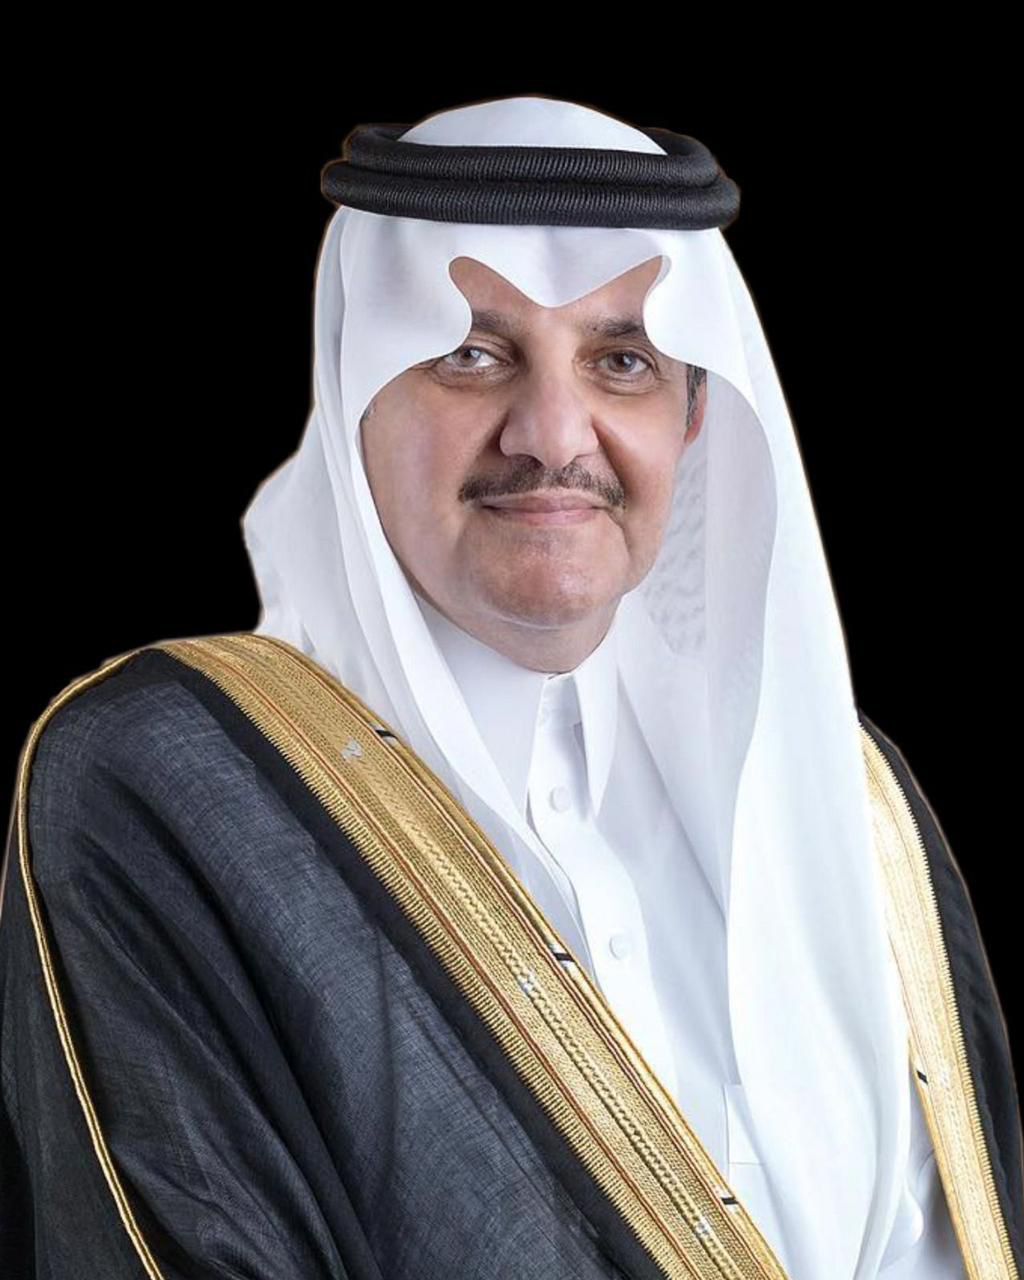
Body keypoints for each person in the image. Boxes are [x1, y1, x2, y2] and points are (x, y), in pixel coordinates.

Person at [0, 95, 1019, 1280]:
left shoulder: (850, 802)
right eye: (470, 356)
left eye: (621, 361)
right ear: (355, 393)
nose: (551, 434)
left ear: (693, 413)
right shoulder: (173, 787)